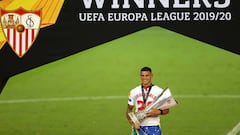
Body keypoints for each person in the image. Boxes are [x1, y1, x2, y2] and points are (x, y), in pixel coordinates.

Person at [126, 66, 169, 135]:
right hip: (138, 127)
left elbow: (167, 110)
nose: (144, 78)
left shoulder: (159, 91)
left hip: (154, 127)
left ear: (151, 76)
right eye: (142, 75)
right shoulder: (134, 91)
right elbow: (129, 110)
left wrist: (159, 112)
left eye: (147, 75)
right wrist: (132, 122)